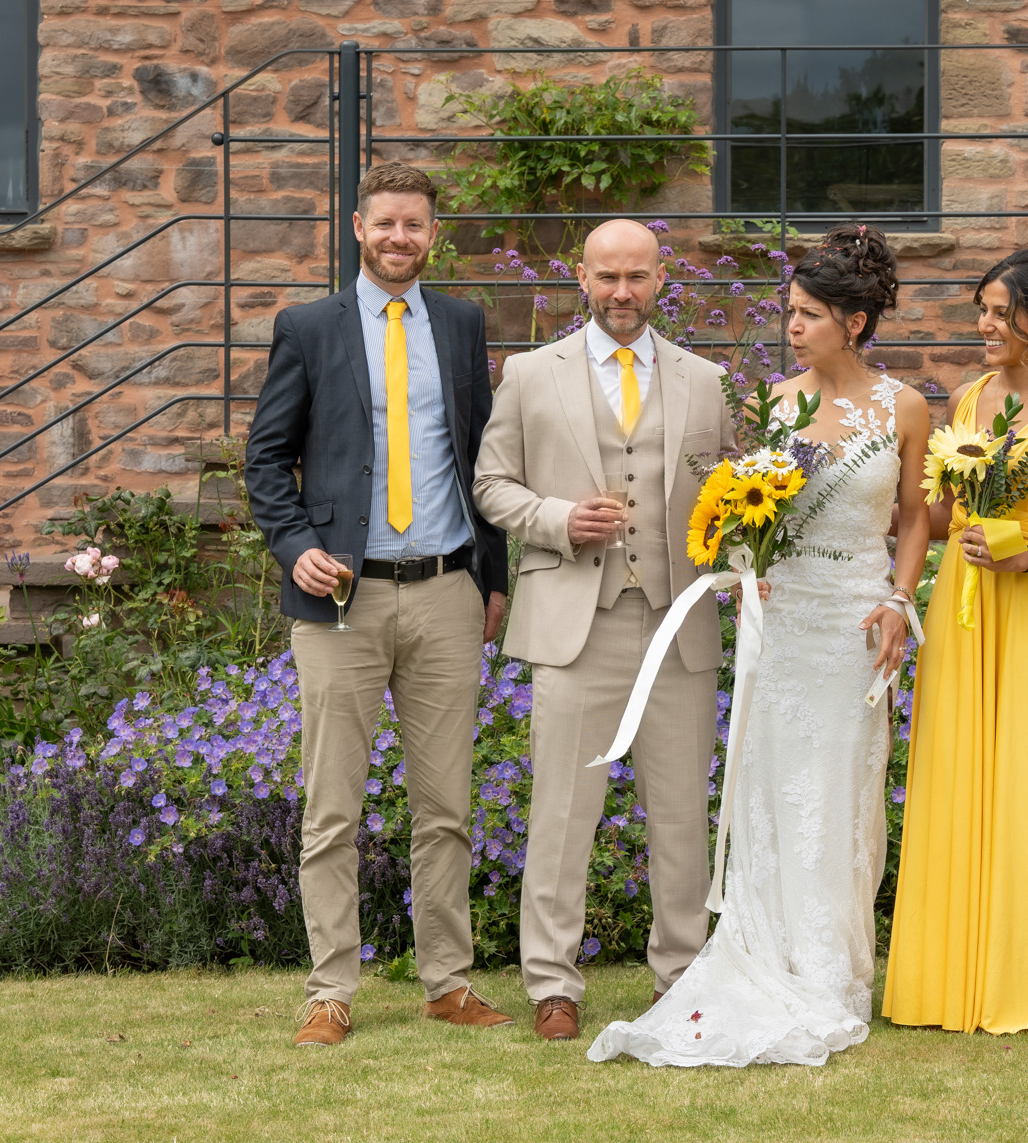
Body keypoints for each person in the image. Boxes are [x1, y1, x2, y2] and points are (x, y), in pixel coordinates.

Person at [588, 224, 931, 1067]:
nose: (792, 327)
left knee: (841, 790)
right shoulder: (772, 404)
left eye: (809, 314)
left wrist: (900, 598)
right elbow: (744, 510)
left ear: (854, 322)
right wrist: (746, 570)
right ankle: (765, 952)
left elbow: (917, 518)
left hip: (856, 626)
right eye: (790, 311)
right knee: (771, 791)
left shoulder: (905, 407)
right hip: (780, 630)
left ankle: (832, 967)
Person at [244, 162, 511, 1047]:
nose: (401, 237)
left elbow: (482, 458)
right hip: (341, 601)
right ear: (359, 227)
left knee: (447, 808)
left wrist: (493, 578)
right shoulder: (309, 327)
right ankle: (330, 990)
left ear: (433, 233)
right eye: (386, 223)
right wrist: (297, 547)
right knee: (333, 809)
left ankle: (447, 981)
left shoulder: (461, 323)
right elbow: (265, 459)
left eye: (416, 224)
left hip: (445, 591)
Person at [472, 219, 735, 1042]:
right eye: (608, 277)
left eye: (638, 276)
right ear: (580, 278)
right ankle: (553, 983)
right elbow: (491, 484)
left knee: (681, 815)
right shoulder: (528, 374)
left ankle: (682, 974)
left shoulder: (706, 381)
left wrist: (746, 559)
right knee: (561, 812)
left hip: (677, 623)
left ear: (662, 280)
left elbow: (730, 491)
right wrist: (557, 518)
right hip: (573, 626)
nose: (623, 292)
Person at [884, 248, 1028, 1034]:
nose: (984, 325)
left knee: (1026, 778)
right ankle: (948, 976)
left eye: (999, 312)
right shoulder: (967, 398)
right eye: (981, 310)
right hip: (964, 605)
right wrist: (872, 502)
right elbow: (941, 515)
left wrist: (1024, 557)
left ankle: (1025, 975)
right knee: (958, 771)